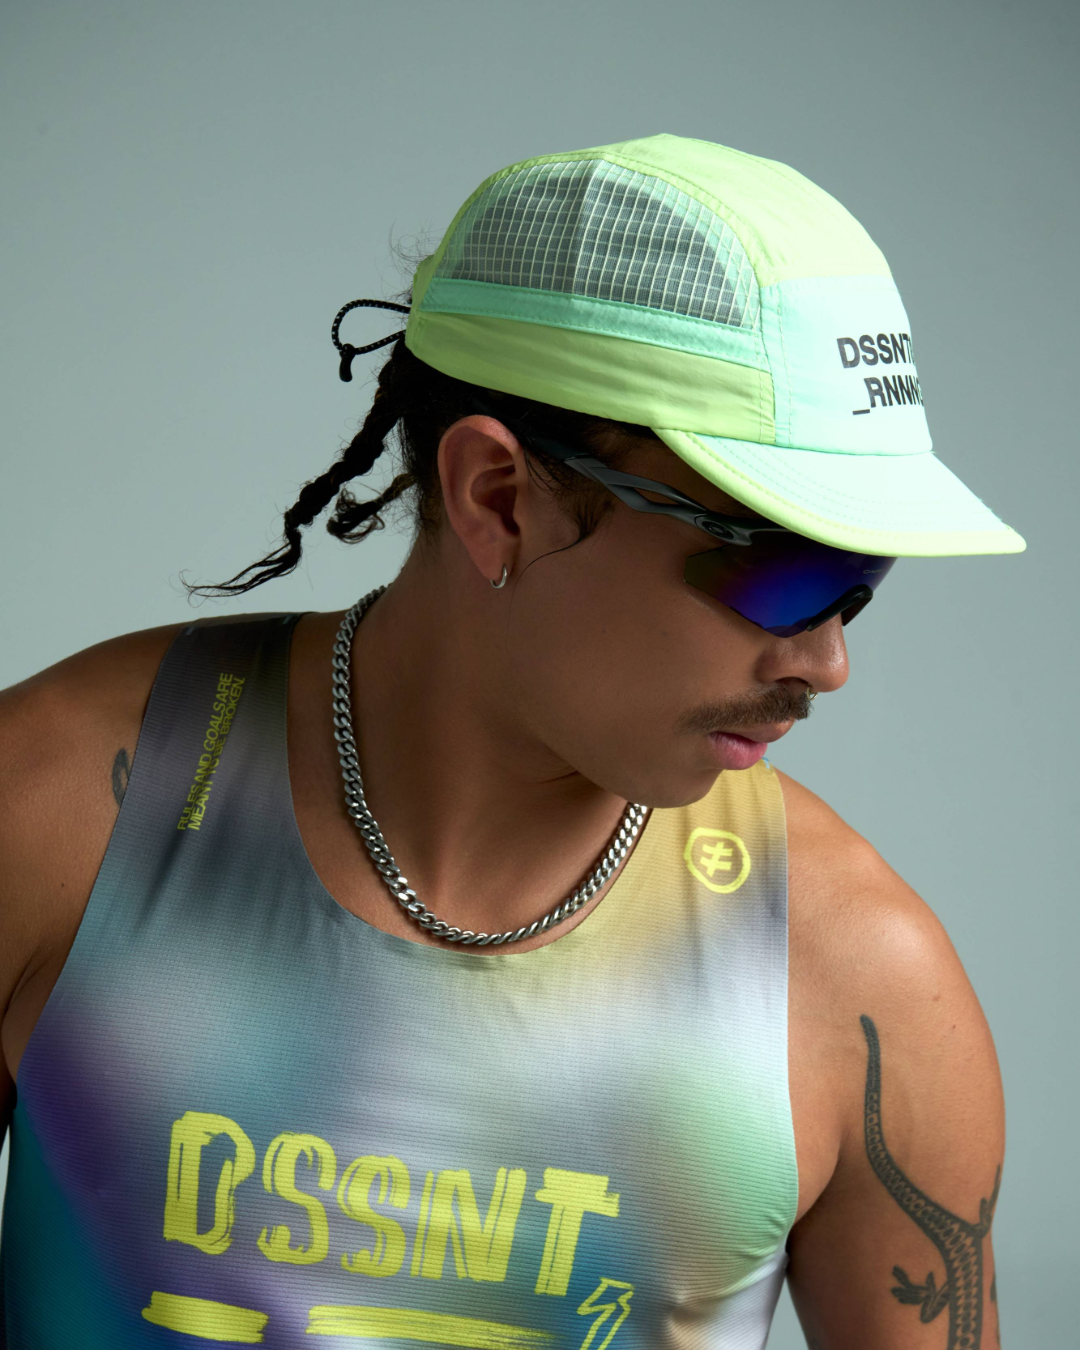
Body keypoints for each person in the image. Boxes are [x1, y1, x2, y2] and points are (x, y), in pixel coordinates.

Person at [0, 134, 1020, 1348]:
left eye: (863, 578)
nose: (826, 660)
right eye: (781, 567)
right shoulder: (56, 809)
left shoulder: (862, 984)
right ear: (498, 498)